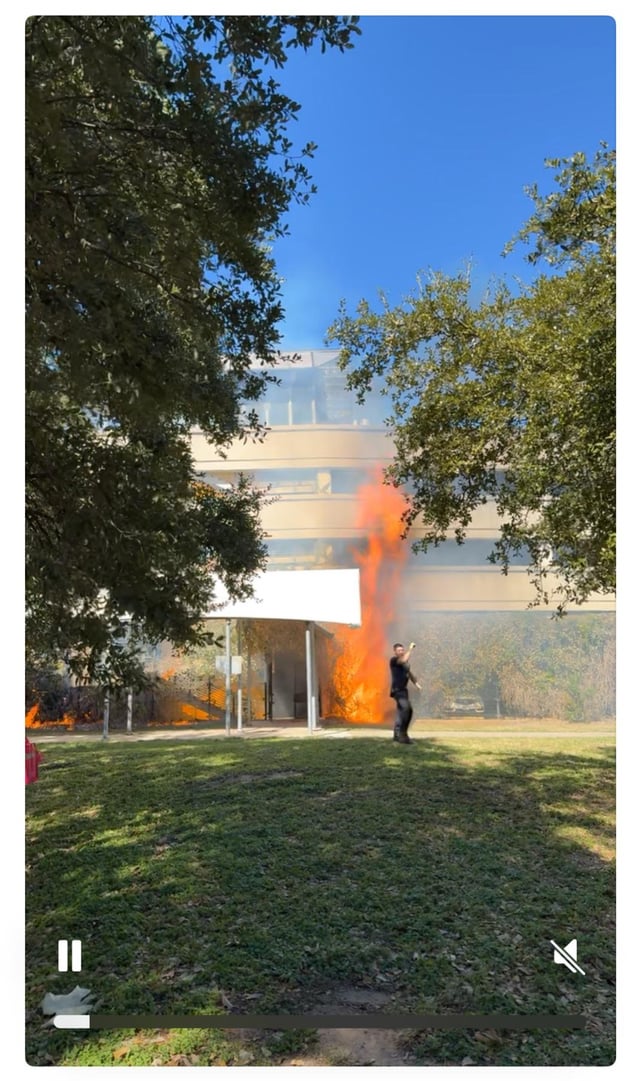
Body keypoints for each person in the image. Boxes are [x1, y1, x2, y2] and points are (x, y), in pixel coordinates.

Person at [389, 641, 421, 743]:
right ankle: (403, 736)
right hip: (397, 690)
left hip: (403, 691)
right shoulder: (394, 660)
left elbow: (410, 673)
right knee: (407, 709)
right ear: (395, 652)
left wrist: (416, 684)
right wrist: (410, 649)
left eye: (402, 650)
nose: (401, 652)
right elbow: (404, 659)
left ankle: (397, 736)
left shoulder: (405, 663)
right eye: (399, 650)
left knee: (401, 712)